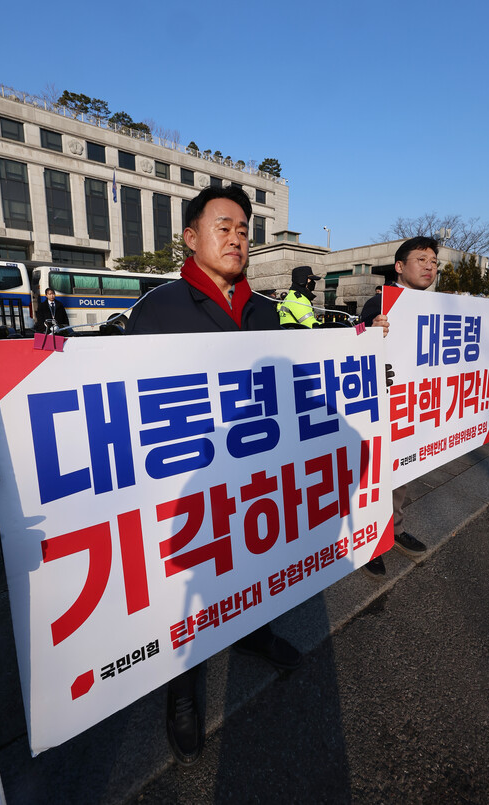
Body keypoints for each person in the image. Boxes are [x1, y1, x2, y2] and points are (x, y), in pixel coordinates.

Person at [125, 186, 301, 766]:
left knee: (252, 556)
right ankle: (181, 689)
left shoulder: (266, 312)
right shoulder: (160, 310)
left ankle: (251, 631)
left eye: (245, 229)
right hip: (189, 481)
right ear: (191, 237)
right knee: (190, 584)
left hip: (253, 473)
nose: (237, 238)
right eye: (223, 226)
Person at [360, 237, 440, 577]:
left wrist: (484, 335)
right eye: (421, 259)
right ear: (399, 266)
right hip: (380, 406)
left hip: (415, 405)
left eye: (434, 261)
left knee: (403, 471)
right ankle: (368, 542)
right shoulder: (378, 303)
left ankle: (393, 527)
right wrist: (367, 330)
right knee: (374, 475)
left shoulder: (434, 306)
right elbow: (351, 344)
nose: (429, 266)